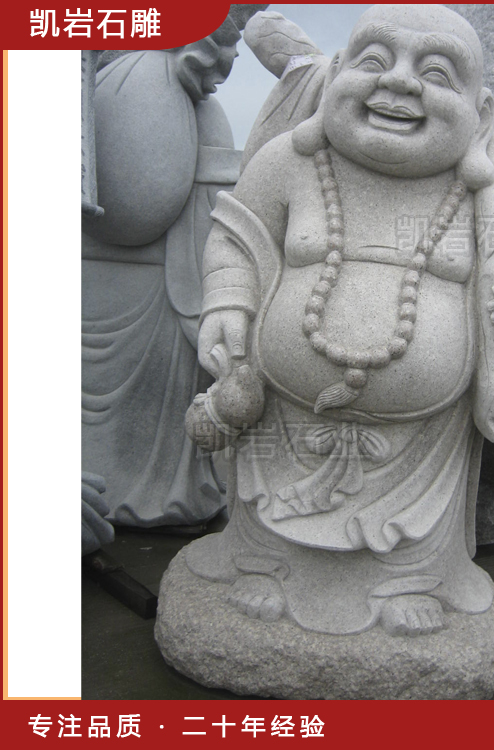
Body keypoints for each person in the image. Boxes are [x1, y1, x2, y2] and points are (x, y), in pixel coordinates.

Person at [185, 4, 494, 636]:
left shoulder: (488, 197)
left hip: (424, 438)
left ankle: (407, 582)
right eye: (375, 61)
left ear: (481, 111)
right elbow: (236, 241)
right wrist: (227, 301)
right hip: (285, 412)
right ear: (334, 75)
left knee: (410, 532)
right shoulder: (290, 162)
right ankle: (263, 566)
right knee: (267, 504)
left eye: (436, 74)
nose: (400, 82)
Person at [81, 13, 252, 527]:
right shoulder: (120, 80)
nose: (231, 58)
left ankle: (170, 494)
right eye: (225, 38)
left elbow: (216, 212)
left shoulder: (202, 112)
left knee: (166, 409)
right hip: (99, 284)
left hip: (169, 287)